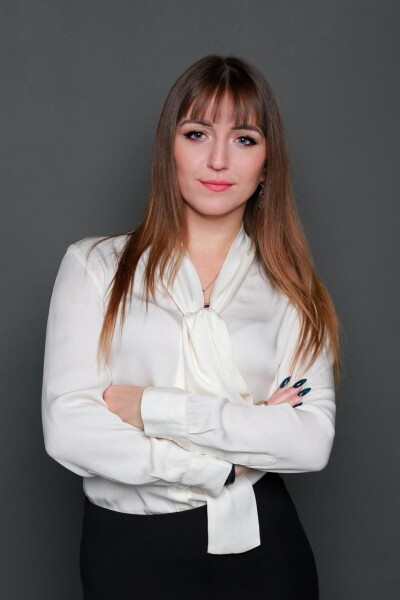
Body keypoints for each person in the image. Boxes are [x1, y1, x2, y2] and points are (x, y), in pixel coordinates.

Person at [41, 55, 341, 599]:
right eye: (197, 133)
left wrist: (153, 408)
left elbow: (309, 443)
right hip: (128, 553)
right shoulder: (95, 267)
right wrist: (225, 460)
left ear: (267, 165)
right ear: (169, 150)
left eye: (244, 139)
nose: (219, 159)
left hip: (265, 551)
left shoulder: (293, 290)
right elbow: (69, 429)